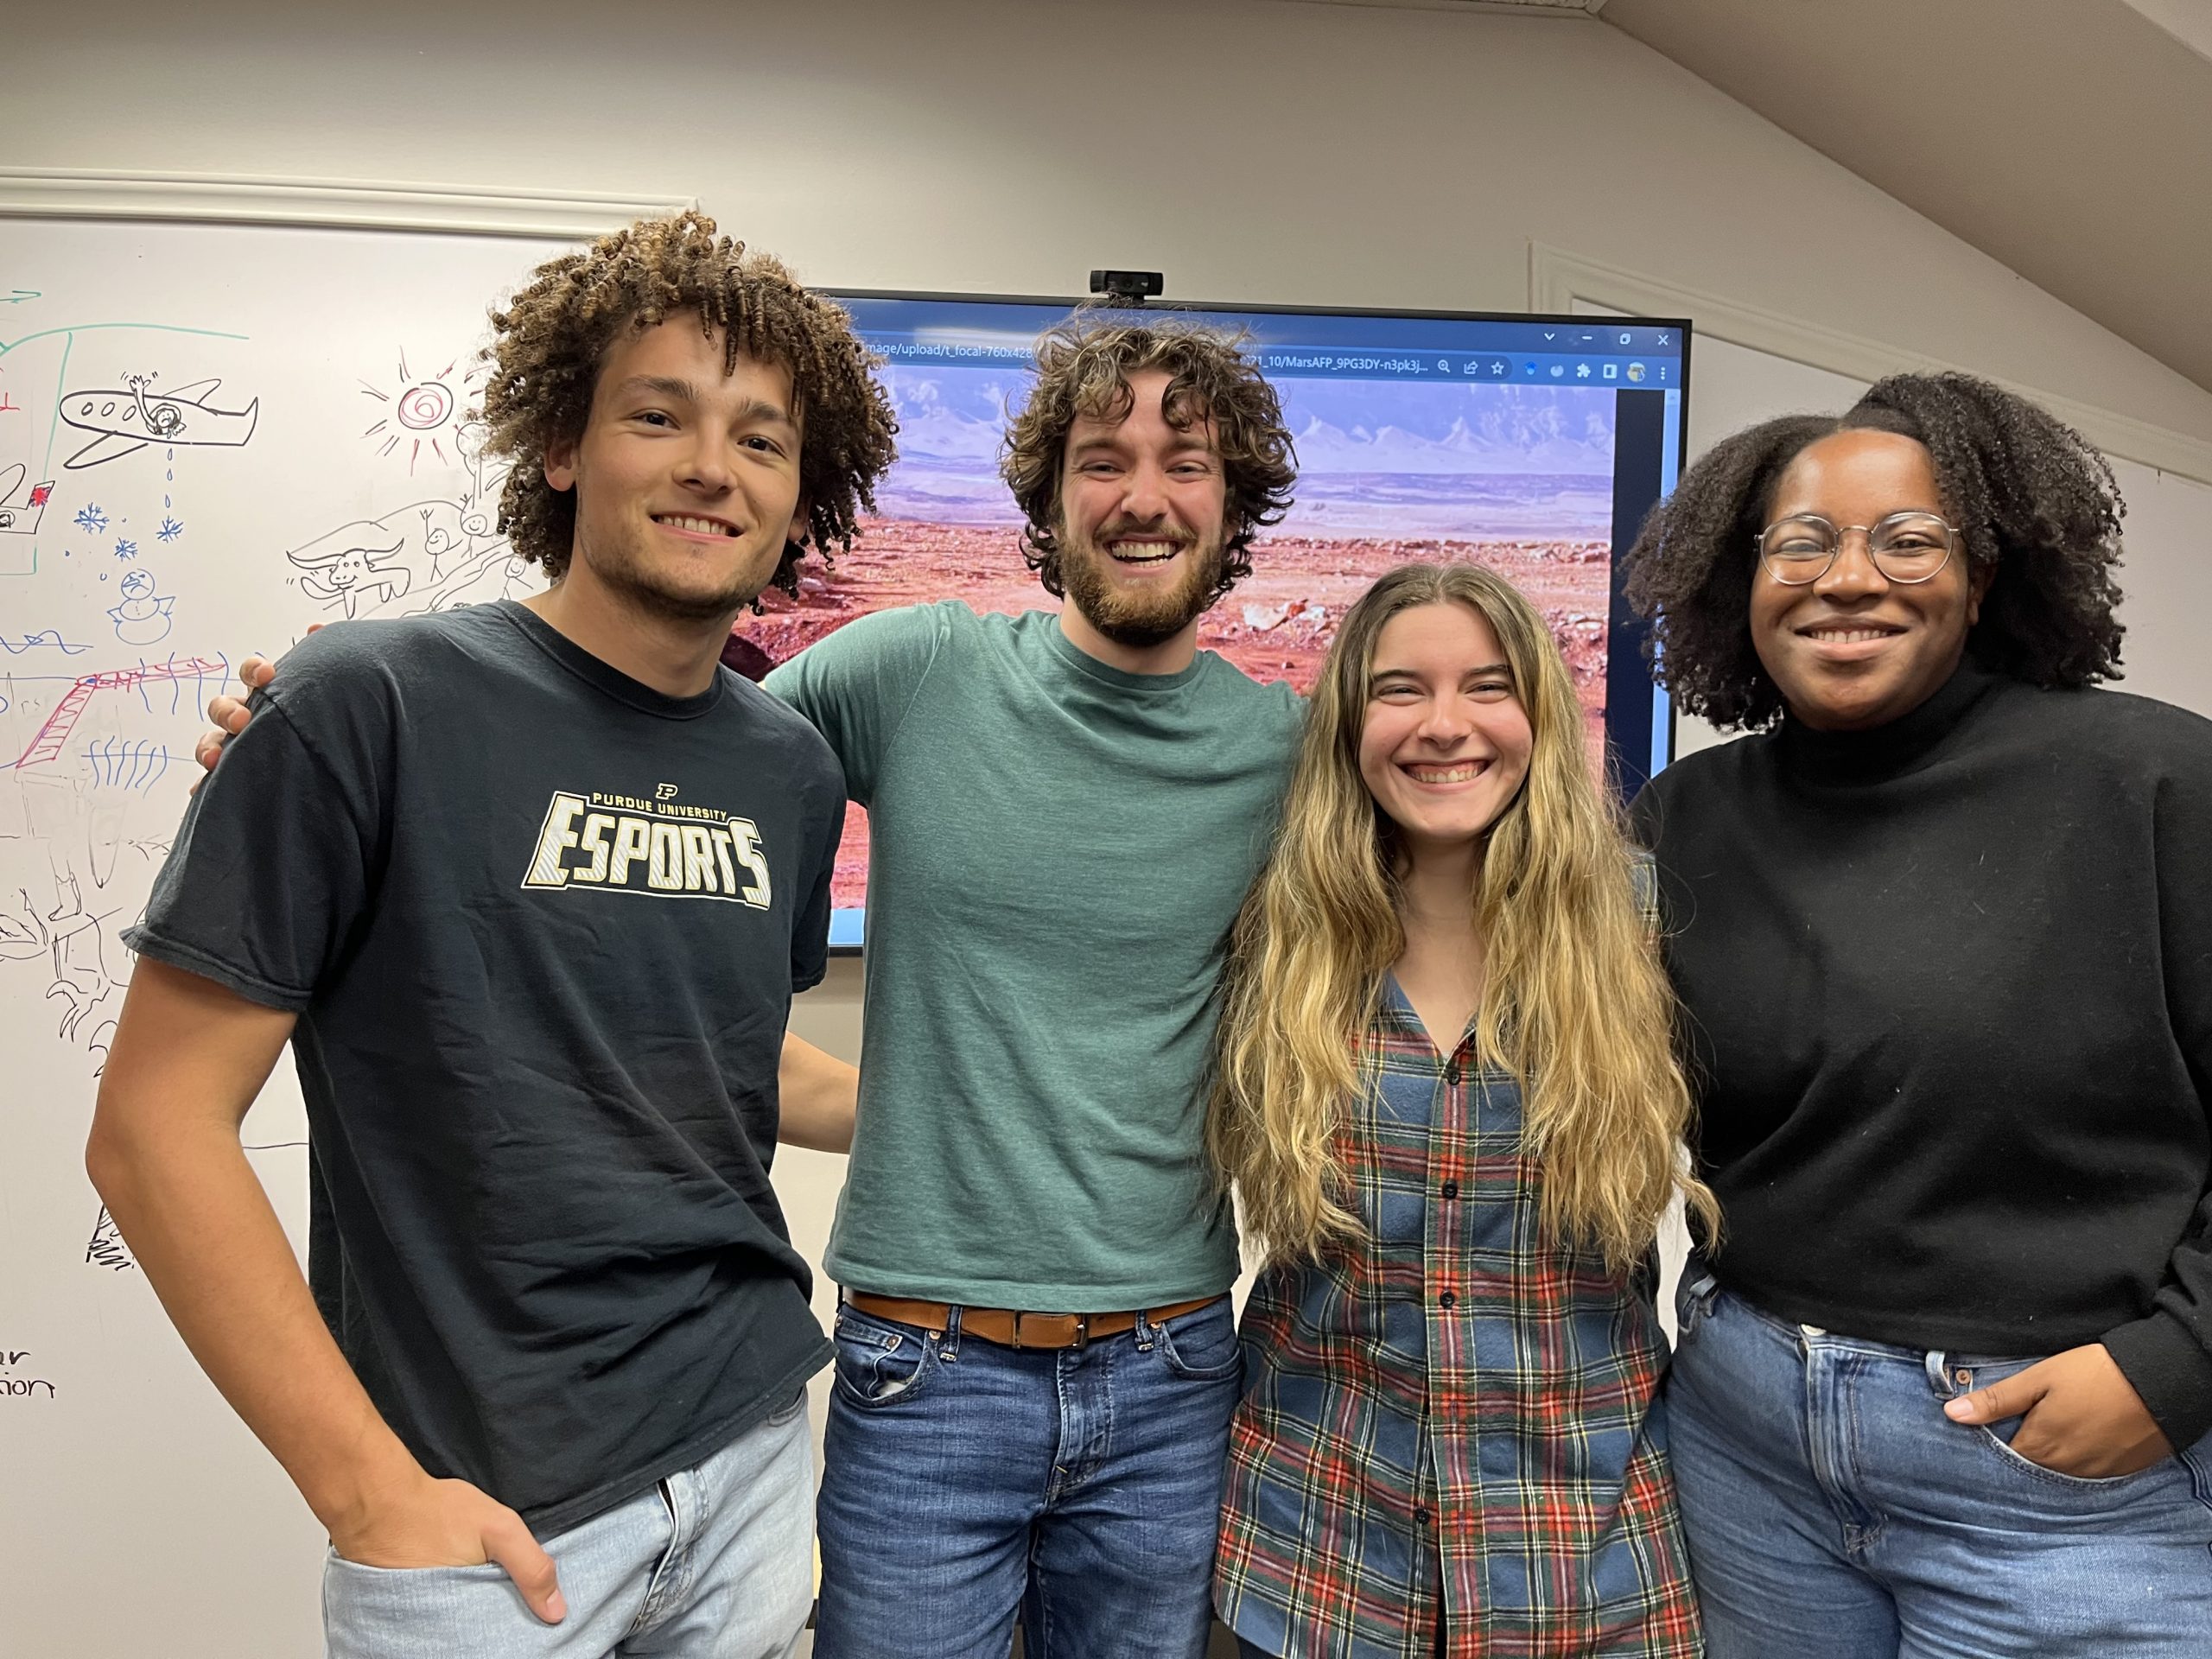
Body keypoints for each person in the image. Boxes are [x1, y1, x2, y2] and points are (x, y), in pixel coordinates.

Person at [201, 315, 1306, 1657]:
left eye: (1185, 462)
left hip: (1174, 1368)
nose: (1142, 496)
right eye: (1100, 460)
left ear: (1235, 497)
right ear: (1048, 495)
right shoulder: (920, 672)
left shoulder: (1284, 751)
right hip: (927, 1366)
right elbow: (645, 718)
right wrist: (349, 712)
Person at [93, 212, 897, 1659]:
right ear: (564, 447)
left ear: (801, 492)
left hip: (751, 1453)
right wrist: (368, 1493)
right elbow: (155, 1129)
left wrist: (996, 1106)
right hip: (487, 1524)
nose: (712, 466)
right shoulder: (367, 704)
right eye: (659, 415)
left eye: (762, 440)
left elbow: (722, 1064)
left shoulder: (786, 768)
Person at [1624, 372, 2212, 1655]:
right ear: (1746, 577)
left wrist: (2182, 1364)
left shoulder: (2160, 785)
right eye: (1805, 543)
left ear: (1986, 576)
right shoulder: (1688, 819)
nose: (1850, 578)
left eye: (1908, 540)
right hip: (1744, 1450)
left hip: (2062, 1486)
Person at [1208, 562, 1715, 1658]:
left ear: (1535, 710)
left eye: (1486, 687)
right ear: (1348, 724)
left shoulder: (1642, 927)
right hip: (1313, 1565)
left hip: (1586, 1566)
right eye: (1399, 691)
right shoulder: (1272, 936)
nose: (1444, 726)